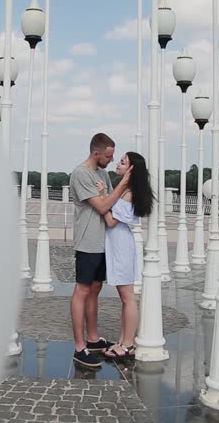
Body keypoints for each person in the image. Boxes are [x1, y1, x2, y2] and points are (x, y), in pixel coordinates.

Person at [69, 133, 131, 368]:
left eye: (113, 155)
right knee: (82, 290)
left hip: (103, 241)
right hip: (88, 242)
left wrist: (110, 193)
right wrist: (123, 184)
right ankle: (79, 347)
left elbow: (113, 203)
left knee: (95, 288)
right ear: (96, 154)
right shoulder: (81, 174)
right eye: (108, 155)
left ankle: (93, 339)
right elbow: (104, 205)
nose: (111, 159)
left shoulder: (103, 174)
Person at [96, 152, 153, 359]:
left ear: (131, 169)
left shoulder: (128, 193)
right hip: (117, 244)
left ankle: (128, 345)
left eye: (123, 162)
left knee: (128, 297)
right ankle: (122, 341)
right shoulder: (124, 190)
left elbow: (111, 221)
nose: (118, 164)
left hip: (121, 246)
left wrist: (101, 199)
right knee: (124, 297)